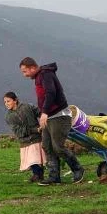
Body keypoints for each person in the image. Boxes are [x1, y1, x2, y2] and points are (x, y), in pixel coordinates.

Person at [19, 57, 85, 185]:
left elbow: (51, 93)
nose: (24, 75)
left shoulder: (46, 74)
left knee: (58, 147)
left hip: (59, 116)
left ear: (32, 68)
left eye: (25, 71)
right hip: (49, 117)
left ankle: (78, 169)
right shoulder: (39, 77)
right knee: (47, 146)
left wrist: (44, 112)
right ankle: (54, 176)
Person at [3, 91, 45, 183]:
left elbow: (41, 113)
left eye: (8, 101)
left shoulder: (27, 107)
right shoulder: (8, 117)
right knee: (32, 160)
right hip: (25, 141)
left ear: (15, 100)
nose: (6, 104)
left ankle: (38, 175)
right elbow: (18, 131)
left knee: (38, 158)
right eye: (5, 102)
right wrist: (35, 129)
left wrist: (44, 120)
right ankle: (37, 175)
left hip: (37, 138)